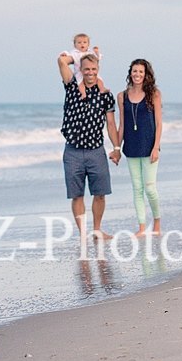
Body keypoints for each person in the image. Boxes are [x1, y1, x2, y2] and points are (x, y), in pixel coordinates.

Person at [57, 52, 121, 240]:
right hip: (73, 151)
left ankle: (97, 229)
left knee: (100, 194)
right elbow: (61, 61)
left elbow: (110, 124)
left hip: (96, 151)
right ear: (81, 70)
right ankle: (82, 233)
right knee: (77, 195)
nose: (90, 72)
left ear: (98, 70)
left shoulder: (105, 95)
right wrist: (76, 56)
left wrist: (116, 149)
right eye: (86, 69)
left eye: (93, 69)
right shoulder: (71, 87)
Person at [116, 59, 163, 237]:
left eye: (141, 72)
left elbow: (159, 123)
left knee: (150, 188)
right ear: (130, 73)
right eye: (134, 71)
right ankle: (142, 227)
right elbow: (122, 125)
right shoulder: (122, 96)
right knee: (137, 188)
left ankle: (157, 221)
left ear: (146, 74)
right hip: (131, 147)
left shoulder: (154, 94)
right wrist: (116, 148)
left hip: (149, 146)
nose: (137, 75)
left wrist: (156, 147)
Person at [60, 33, 107, 100]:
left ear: (88, 44)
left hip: (90, 71)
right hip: (79, 72)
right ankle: (83, 93)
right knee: (80, 83)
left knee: (99, 79)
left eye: (84, 42)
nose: (82, 44)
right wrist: (64, 54)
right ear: (74, 45)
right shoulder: (74, 53)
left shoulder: (90, 52)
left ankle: (102, 89)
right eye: (79, 42)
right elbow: (65, 56)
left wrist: (96, 52)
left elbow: (97, 58)